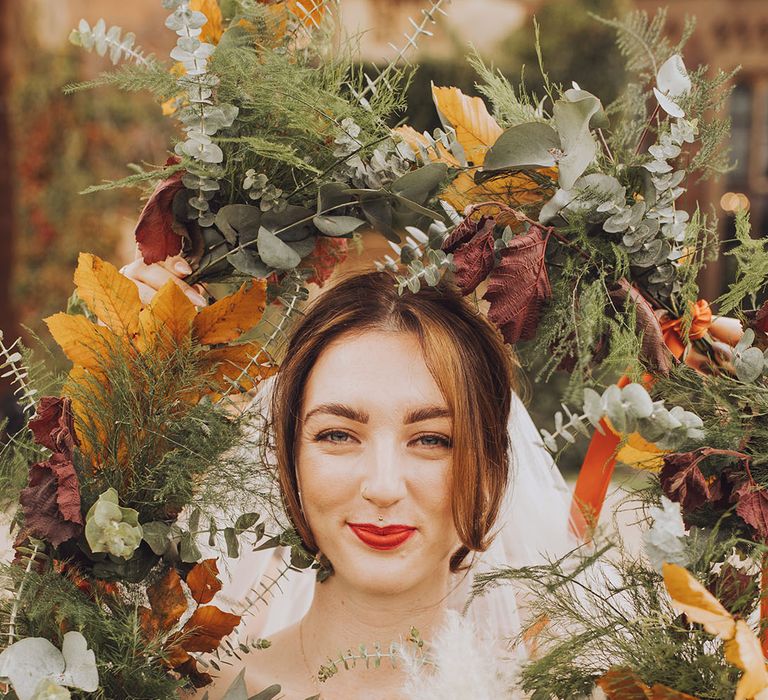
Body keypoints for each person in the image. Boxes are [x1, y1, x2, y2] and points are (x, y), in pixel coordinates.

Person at [121, 255, 575, 699]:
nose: (382, 487)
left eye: (432, 440)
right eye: (338, 435)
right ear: (287, 457)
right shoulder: (184, 691)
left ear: (491, 467)